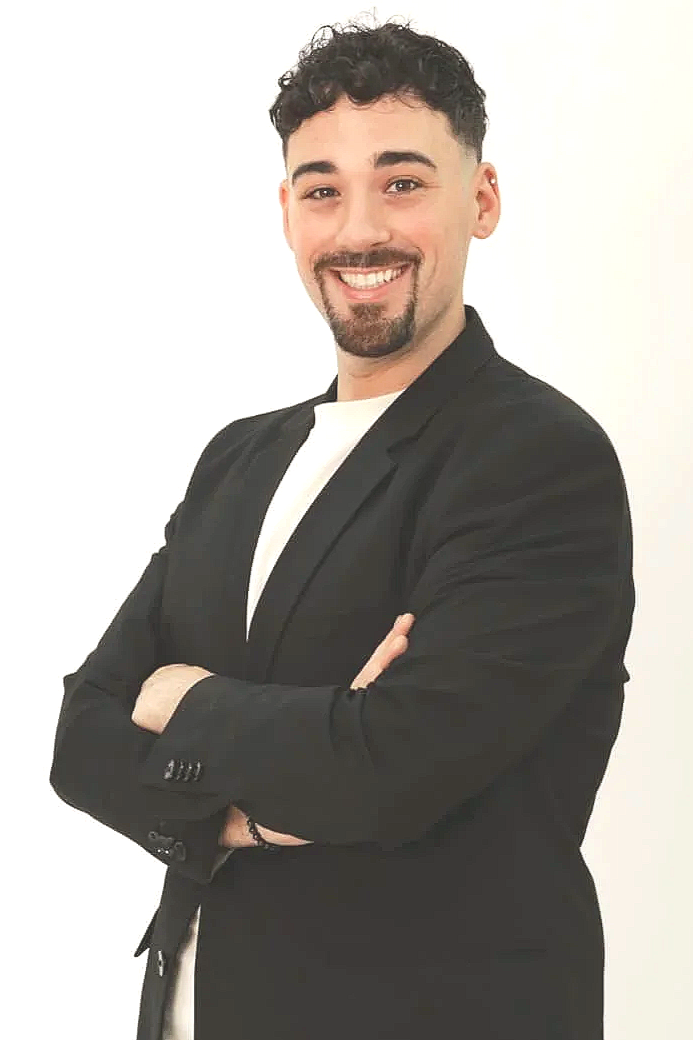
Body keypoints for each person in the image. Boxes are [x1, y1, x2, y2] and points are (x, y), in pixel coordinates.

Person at [50, 15, 635, 1040]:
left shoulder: (538, 461)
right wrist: (264, 797)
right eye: (323, 188)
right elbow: (82, 732)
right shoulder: (240, 456)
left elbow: (384, 771)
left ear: (482, 199)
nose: (359, 229)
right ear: (287, 212)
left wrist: (185, 694)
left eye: (403, 181)